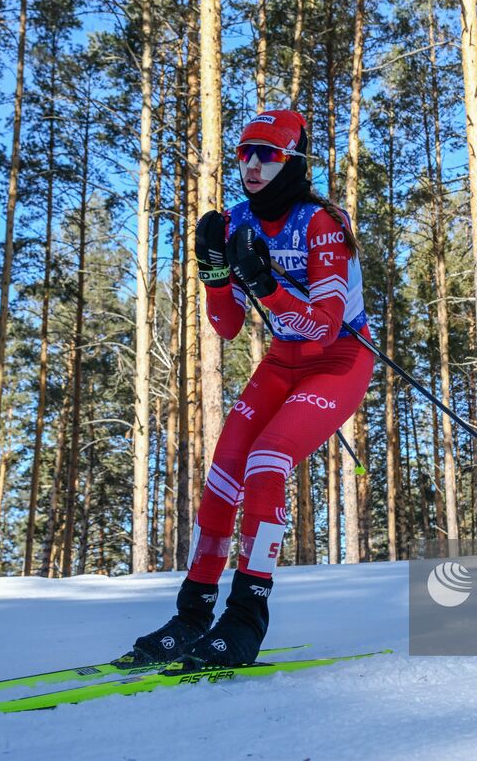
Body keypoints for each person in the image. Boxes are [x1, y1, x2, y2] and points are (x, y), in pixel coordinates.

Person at [122, 109, 373, 669]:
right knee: (225, 467)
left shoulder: (323, 222)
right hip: (283, 361)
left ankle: (246, 616)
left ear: (295, 162)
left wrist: (264, 284)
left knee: (267, 459)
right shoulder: (237, 221)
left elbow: (326, 324)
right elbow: (228, 326)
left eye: (270, 154)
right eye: (245, 152)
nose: (254, 164)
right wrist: (217, 278)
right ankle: (191, 614)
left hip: (339, 359)